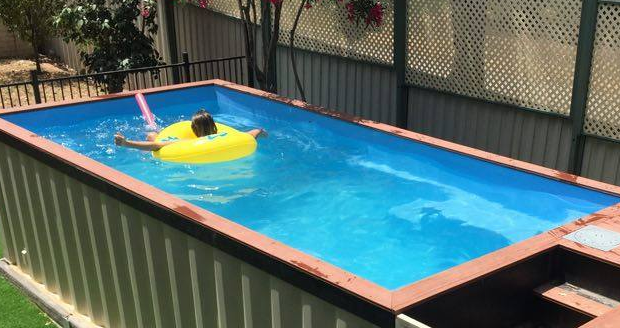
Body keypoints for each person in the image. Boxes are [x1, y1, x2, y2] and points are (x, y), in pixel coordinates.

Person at [114, 109, 266, 151]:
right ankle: (155, 133)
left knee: (152, 136)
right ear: (214, 126)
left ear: (193, 129)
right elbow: (253, 133)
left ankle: (154, 132)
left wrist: (127, 143)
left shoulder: (188, 142)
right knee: (154, 135)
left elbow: (156, 146)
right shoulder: (227, 136)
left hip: (182, 146)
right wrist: (262, 132)